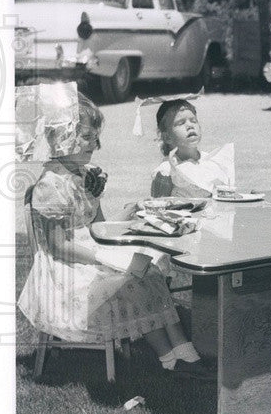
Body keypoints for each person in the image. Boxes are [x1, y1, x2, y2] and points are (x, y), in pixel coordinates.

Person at [17, 90, 212, 379]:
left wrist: (131, 211)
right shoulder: (51, 184)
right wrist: (106, 258)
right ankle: (170, 359)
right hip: (66, 269)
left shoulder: (83, 174)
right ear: (61, 138)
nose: (94, 144)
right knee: (134, 279)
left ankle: (184, 352)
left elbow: (99, 226)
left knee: (149, 271)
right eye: (86, 137)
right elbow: (59, 247)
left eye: (95, 137)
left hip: (88, 250)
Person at [145, 97, 235, 198]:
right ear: (167, 137)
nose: (190, 126)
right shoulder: (167, 171)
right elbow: (157, 206)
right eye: (181, 123)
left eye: (193, 121)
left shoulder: (211, 161)